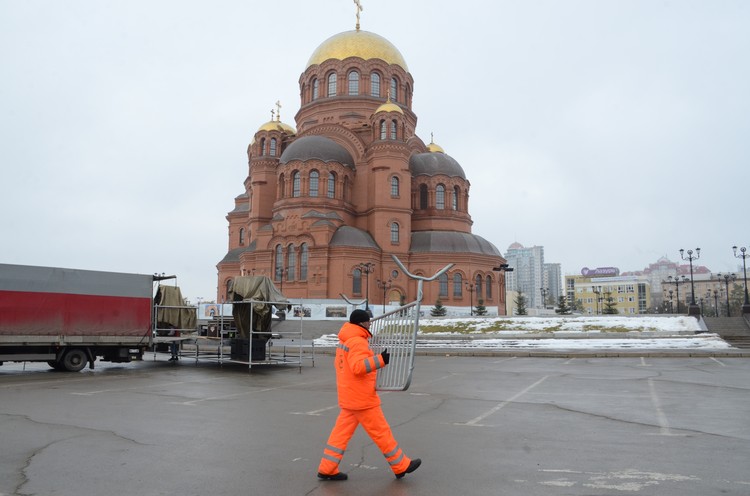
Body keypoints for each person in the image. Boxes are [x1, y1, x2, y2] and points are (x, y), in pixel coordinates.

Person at [317, 309, 421, 481]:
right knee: (381, 432)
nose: (370, 323)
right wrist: (381, 359)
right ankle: (401, 465)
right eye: (368, 321)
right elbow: (358, 367)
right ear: (361, 323)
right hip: (362, 398)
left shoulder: (346, 340)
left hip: (350, 396)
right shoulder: (358, 341)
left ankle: (327, 468)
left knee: (340, 435)